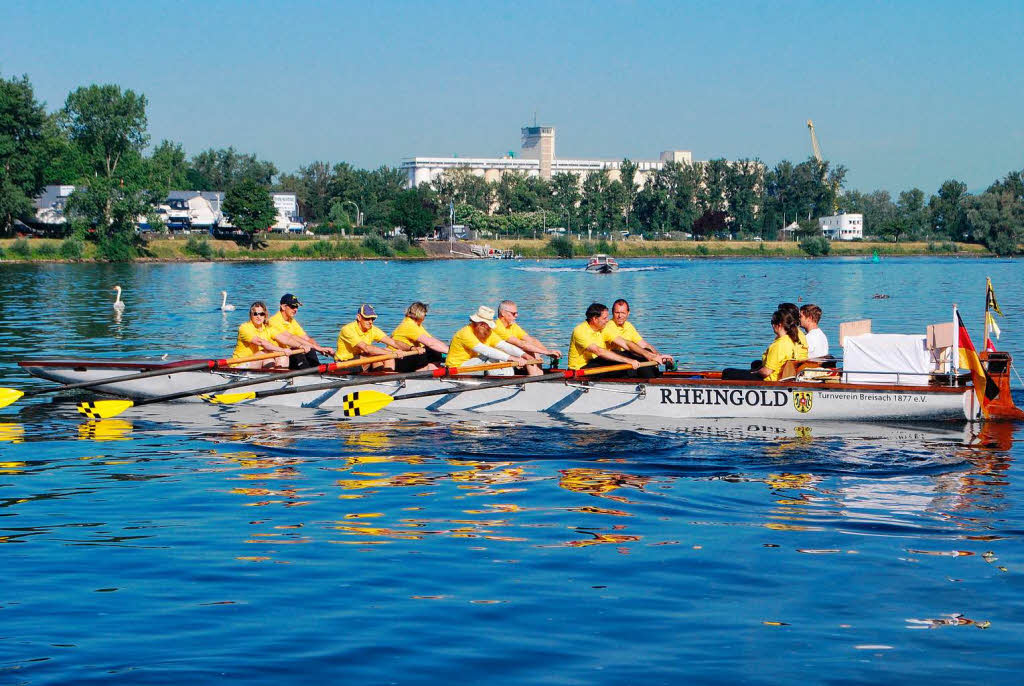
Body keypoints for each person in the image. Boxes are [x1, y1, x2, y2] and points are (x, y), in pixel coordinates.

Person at [446, 305, 530, 376]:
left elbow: (505, 346)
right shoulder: (465, 333)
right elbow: (486, 351)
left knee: (502, 352)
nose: (489, 327)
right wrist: (513, 359)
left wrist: (524, 355)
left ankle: (508, 378)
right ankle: (500, 379)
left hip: (473, 365)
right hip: (456, 369)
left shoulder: (487, 332)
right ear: (480, 324)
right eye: (487, 325)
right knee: (492, 355)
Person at [602, 299, 673, 379]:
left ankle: (654, 379)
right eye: (617, 313)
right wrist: (648, 355)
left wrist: (659, 356)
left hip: (627, 362)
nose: (620, 316)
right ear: (612, 312)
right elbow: (627, 345)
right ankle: (652, 382)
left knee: (646, 350)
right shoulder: (608, 326)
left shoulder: (628, 326)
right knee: (641, 355)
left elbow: (644, 344)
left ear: (628, 313)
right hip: (612, 362)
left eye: (623, 313)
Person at [721, 310, 799, 381]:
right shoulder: (791, 340)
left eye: (772, 322)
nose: (772, 325)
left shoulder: (778, 345)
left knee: (727, 372)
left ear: (779, 325)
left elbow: (766, 372)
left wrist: (755, 372)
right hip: (778, 376)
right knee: (754, 365)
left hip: (769, 379)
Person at [336, 304, 417, 371]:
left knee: (386, 351)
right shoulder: (347, 329)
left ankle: (387, 378)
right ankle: (384, 379)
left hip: (361, 360)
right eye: (367, 318)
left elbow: (394, 342)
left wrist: (412, 348)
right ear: (359, 317)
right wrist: (392, 354)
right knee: (382, 353)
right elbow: (366, 348)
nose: (370, 321)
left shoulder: (372, 329)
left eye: (372, 319)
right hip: (343, 364)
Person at [567, 302, 642, 373]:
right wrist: (628, 361)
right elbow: (599, 351)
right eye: (604, 318)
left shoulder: (603, 328)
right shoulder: (580, 331)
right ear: (595, 319)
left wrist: (648, 355)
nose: (607, 321)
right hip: (581, 370)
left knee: (628, 354)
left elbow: (625, 343)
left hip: (596, 363)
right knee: (619, 358)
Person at [494, 300, 561, 376]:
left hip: (511, 355)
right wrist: (546, 353)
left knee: (535, 352)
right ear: (503, 313)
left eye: (517, 313)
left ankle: (539, 378)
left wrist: (548, 351)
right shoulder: (497, 326)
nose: (516, 315)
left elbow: (531, 340)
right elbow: (522, 344)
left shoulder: (512, 326)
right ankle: (535, 381)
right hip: (498, 358)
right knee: (528, 352)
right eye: (513, 313)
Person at [267, 293, 335, 369]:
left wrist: (321, 349)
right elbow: (291, 337)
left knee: (311, 349)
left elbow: (307, 339)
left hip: (292, 353)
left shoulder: (291, 321)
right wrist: (317, 348)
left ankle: (318, 369)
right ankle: (311, 374)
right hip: (281, 354)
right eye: (293, 306)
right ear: (283, 307)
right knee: (300, 350)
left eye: (297, 306)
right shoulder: (274, 321)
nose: (295, 309)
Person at [390, 302, 449, 372]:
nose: (425, 317)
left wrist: (451, 349)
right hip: (398, 358)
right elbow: (430, 343)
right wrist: (451, 352)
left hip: (408, 356)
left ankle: (433, 369)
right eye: (425, 315)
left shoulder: (416, 325)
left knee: (435, 351)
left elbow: (432, 340)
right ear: (420, 314)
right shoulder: (409, 325)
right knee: (432, 351)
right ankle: (423, 373)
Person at [231, 301, 291, 368]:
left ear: (265, 315)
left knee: (282, 356)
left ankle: (279, 376)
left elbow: (287, 340)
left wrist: (302, 345)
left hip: (255, 362)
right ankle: (274, 375)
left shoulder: (267, 329)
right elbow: (261, 342)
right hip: (239, 365)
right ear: (251, 315)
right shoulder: (244, 328)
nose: (259, 317)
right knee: (266, 353)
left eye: (261, 314)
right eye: (255, 314)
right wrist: (282, 350)